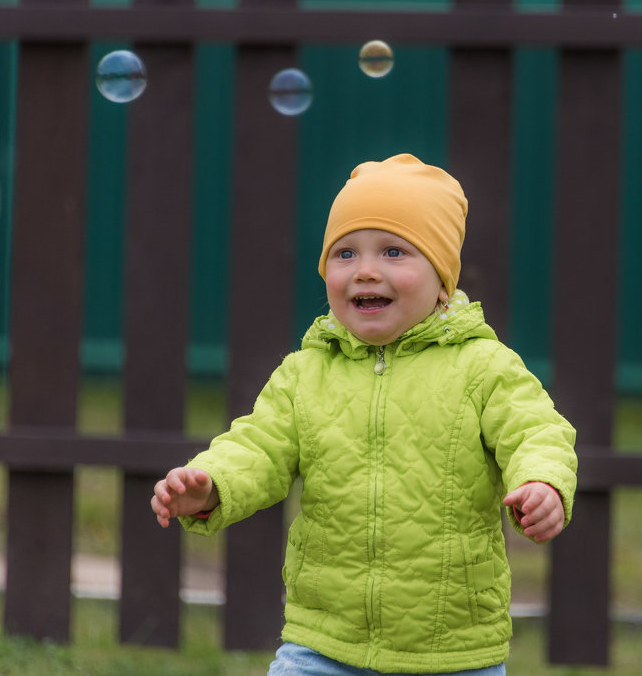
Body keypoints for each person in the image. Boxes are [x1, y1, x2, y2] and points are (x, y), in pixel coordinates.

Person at [150, 153, 578, 674]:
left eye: (394, 251)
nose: (366, 271)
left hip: (452, 648)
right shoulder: (306, 373)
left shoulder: (483, 367)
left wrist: (542, 481)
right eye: (345, 253)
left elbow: (536, 430)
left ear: (442, 279)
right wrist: (211, 484)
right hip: (324, 640)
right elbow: (258, 446)